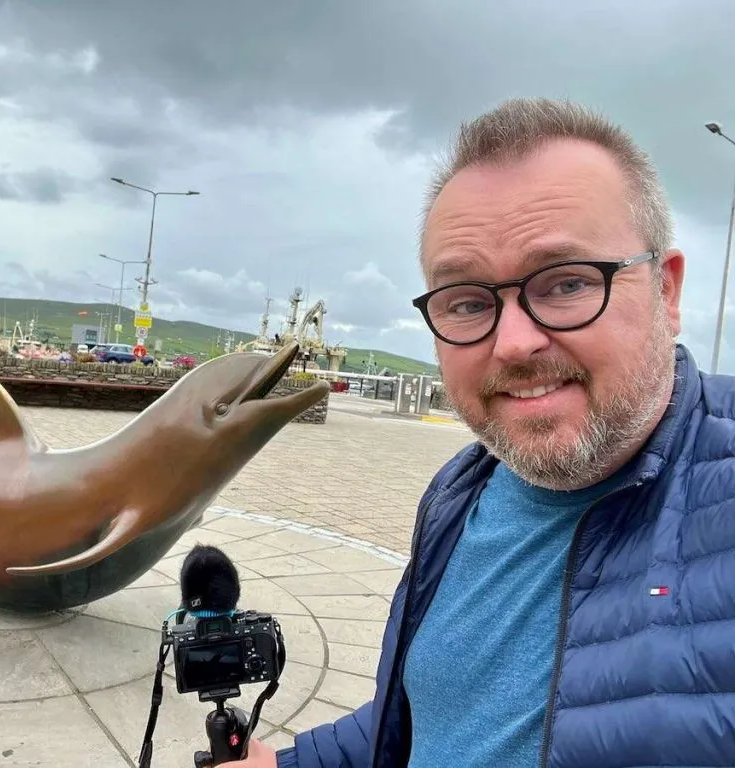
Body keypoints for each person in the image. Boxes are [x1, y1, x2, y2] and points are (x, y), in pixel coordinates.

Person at [234, 97, 735, 766]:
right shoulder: (462, 492)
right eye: (467, 302)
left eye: (565, 283)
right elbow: (428, 716)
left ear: (667, 292)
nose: (514, 344)